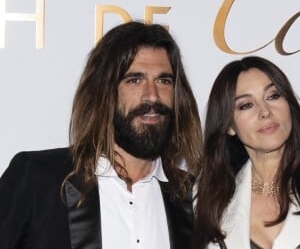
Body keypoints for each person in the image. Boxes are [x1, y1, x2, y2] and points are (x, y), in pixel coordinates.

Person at [0, 21, 202, 249]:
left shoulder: (193, 199)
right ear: (104, 92)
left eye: (163, 81)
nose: (152, 96)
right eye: (134, 80)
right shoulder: (38, 179)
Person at [194, 56, 300, 249]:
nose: (265, 111)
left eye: (273, 96)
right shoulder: (206, 200)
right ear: (229, 125)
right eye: (246, 105)